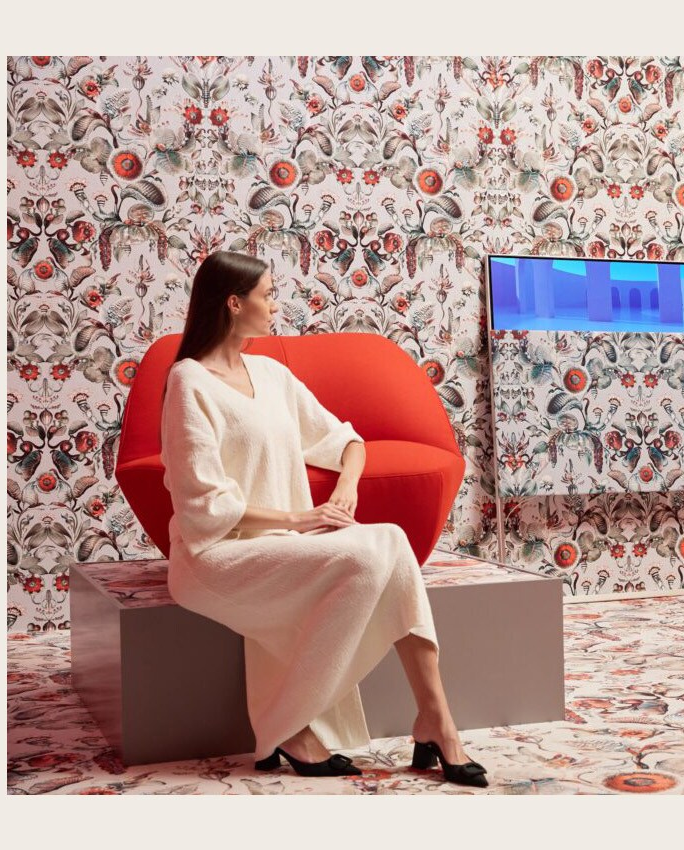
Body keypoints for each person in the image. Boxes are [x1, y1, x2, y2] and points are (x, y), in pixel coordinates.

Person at [160, 251, 487, 786]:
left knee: (393, 545)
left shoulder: (271, 373)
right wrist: (300, 517)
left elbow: (346, 440)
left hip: (286, 542)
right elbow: (203, 507)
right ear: (234, 303)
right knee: (377, 551)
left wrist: (347, 490)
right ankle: (292, 726)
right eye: (267, 294)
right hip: (216, 555)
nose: (275, 305)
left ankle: (436, 718)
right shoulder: (188, 382)